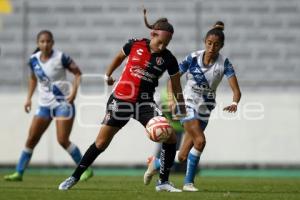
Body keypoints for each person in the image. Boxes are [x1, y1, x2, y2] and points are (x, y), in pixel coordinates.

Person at [58, 9, 186, 192]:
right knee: (101, 143)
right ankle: (74, 177)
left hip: (145, 103)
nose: (162, 47)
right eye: (160, 42)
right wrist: (107, 75)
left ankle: (163, 182)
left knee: (171, 136)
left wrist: (180, 106)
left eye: (167, 43)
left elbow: (176, 85)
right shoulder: (135, 44)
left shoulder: (169, 58)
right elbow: (119, 56)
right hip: (121, 99)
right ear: (153, 34)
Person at [144, 21, 242, 192]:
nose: (212, 47)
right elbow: (172, 79)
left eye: (216, 44)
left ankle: (156, 163)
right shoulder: (193, 58)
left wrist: (234, 103)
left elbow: (236, 91)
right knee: (200, 140)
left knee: (182, 156)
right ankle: (189, 183)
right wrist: (174, 100)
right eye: (209, 43)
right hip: (187, 104)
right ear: (205, 41)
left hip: (205, 109)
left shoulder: (224, 64)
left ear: (222, 46)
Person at [4, 30, 93, 182]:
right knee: (32, 138)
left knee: (63, 140)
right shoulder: (33, 60)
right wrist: (28, 99)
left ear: (52, 43)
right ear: (38, 43)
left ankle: (86, 169)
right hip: (44, 105)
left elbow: (78, 73)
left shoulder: (61, 57)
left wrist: (73, 93)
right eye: (42, 42)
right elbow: (33, 79)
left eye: (48, 41)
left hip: (63, 104)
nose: (45, 44)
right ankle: (18, 173)